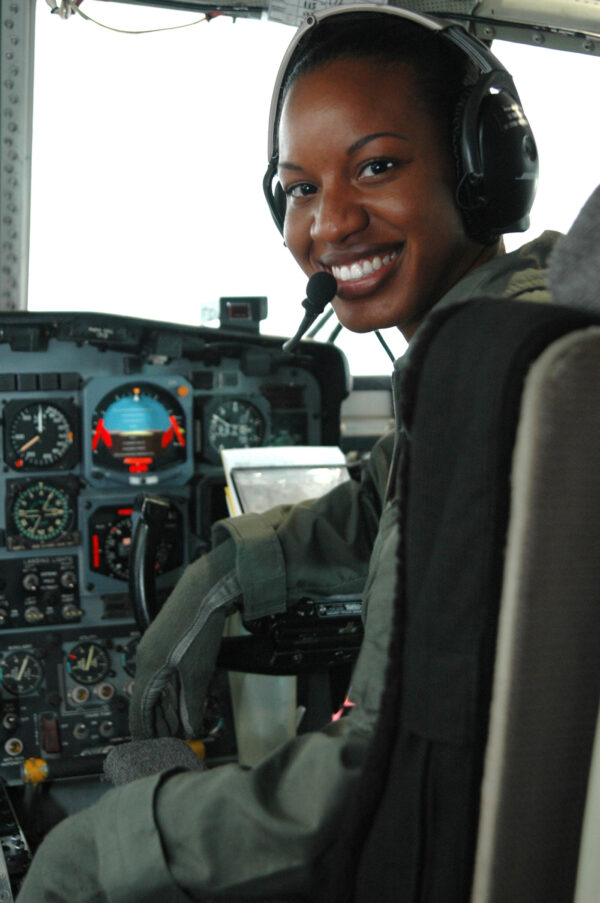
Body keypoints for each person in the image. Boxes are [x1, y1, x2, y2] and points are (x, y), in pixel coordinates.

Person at [17, 5, 557, 901]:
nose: (330, 223)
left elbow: (381, 778)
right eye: (299, 187)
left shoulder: (492, 381)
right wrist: (226, 570)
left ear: (483, 170)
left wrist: (104, 847)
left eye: (377, 166)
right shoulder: (526, 340)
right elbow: (383, 495)